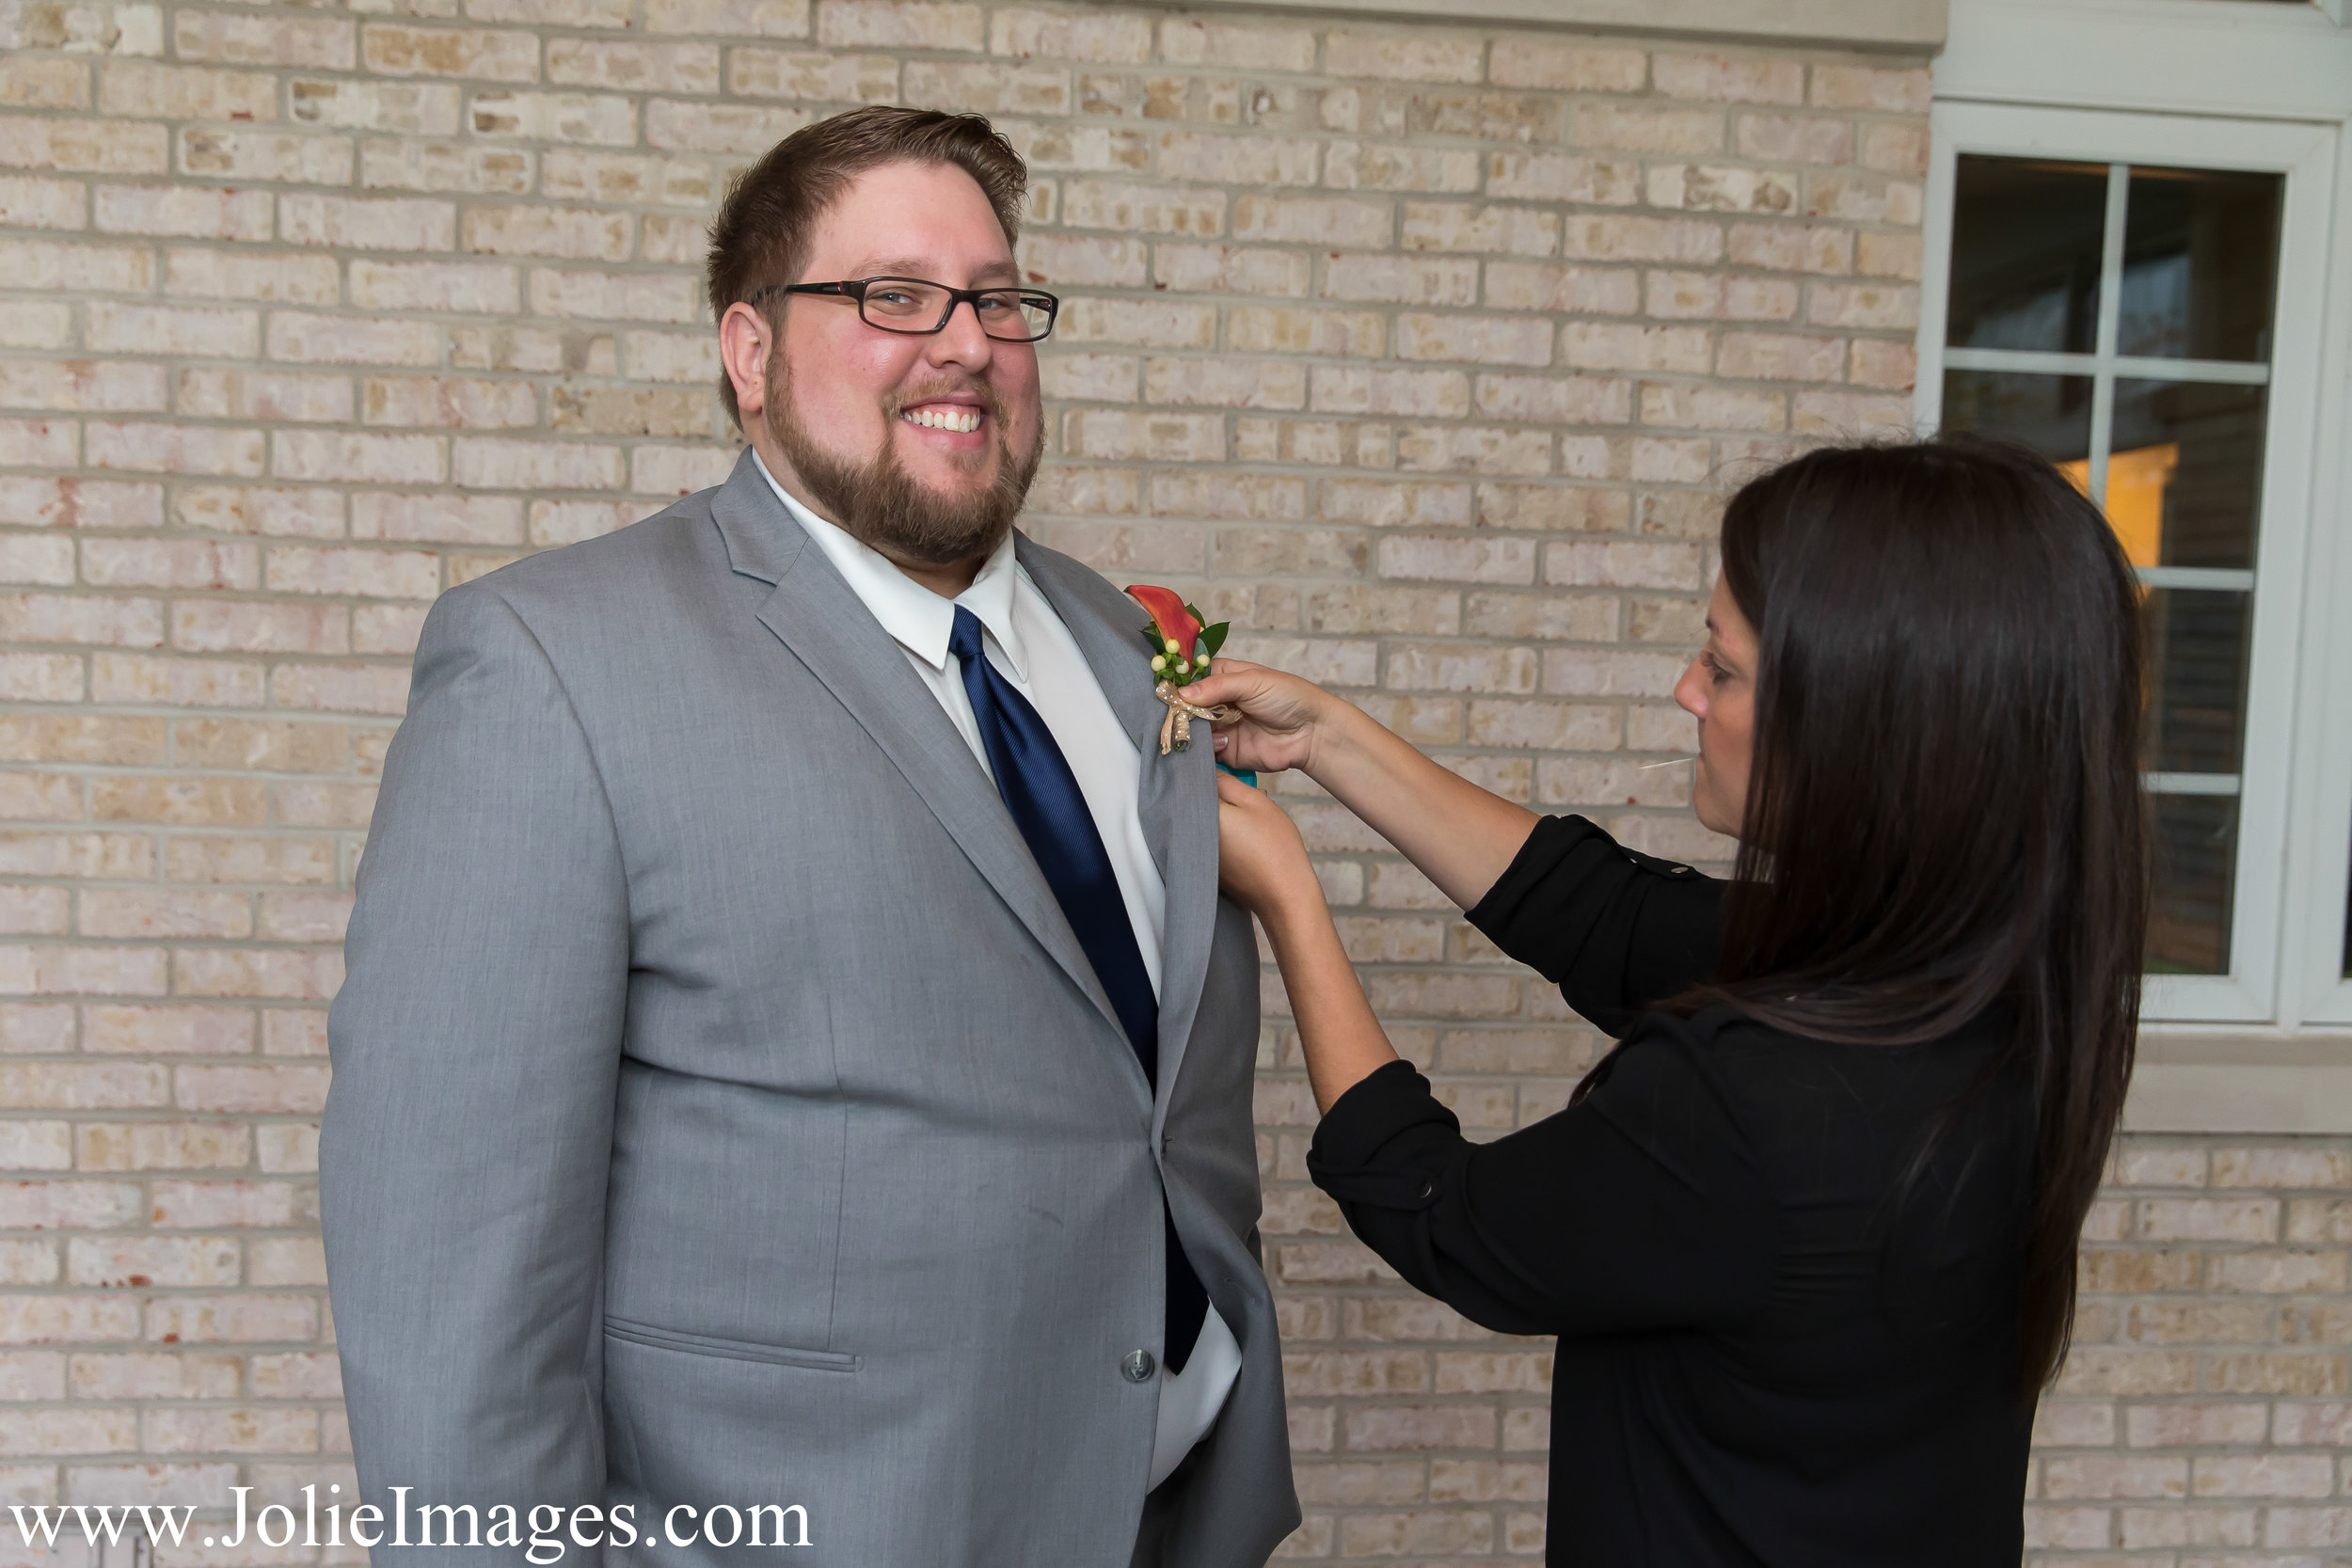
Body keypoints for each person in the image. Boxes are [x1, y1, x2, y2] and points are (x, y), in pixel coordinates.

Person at [320, 107, 1297, 1567]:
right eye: (892, 296)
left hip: (1166, 1513)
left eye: (998, 297)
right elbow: (452, 1275)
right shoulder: (553, 663)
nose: (966, 341)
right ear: (751, 353)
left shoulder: (1119, 644)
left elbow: (1140, 1102)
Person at [1195, 437, 2147, 1565]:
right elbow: (1606, 914)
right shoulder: (1976, 976)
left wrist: (1288, 897)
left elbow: (1445, 1212)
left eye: (1724, 667)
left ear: (1864, 724)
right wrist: (1329, 738)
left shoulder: (1765, 1102)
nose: (1685, 690)